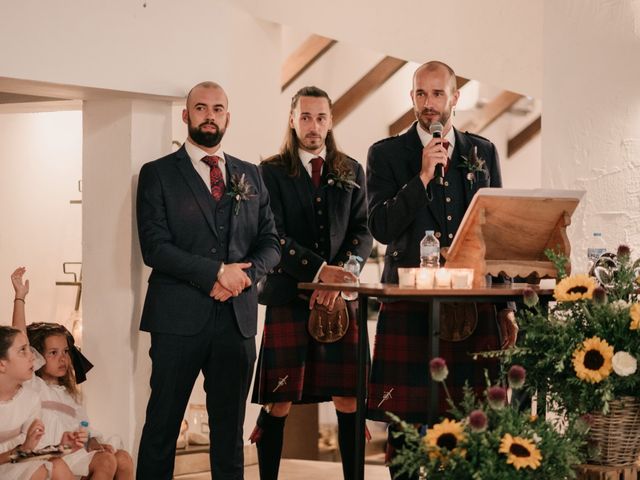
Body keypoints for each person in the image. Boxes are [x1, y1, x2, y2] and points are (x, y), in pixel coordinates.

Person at [365, 61, 517, 479]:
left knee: (473, 416)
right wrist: (421, 178)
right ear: (412, 97)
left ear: (455, 97)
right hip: (409, 302)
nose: (428, 104)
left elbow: (496, 227)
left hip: (473, 303)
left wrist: (506, 306)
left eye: (436, 94)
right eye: (420, 94)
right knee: (405, 427)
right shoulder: (386, 154)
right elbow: (380, 227)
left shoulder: (481, 151)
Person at [136, 81, 281, 480]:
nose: (209, 115)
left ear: (228, 117)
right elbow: (156, 248)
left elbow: (271, 242)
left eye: (218, 109)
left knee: (229, 435)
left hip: (236, 322)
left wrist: (241, 279)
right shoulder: (158, 174)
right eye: (200, 108)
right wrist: (217, 273)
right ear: (186, 116)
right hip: (177, 321)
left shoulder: (251, 174)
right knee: (162, 427)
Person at [249, 86, 373, 480]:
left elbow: (363, 231)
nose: (313, 126)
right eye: (305, 117)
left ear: (331, 120)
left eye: (320, 117)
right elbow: (272, 236)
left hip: (341, 299)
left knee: (348, 397)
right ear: (292, 119)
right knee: (280, 398)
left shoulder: (351, 169)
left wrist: (341, 277)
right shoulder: (269, 172)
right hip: (289, 296)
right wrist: (321, 273)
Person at [11, 267, 134, 479]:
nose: (63, 359)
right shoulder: (32, 386)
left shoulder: (69, 394)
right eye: (53, 353)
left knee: (123, 458)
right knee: (106, 461)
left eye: (66, 352)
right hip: (51, 452)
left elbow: (82, 426)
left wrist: (93, 442)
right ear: (35, 356)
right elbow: (18, 340)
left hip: (74, 452)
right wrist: (20, 298)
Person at [0, 325, 78, 480]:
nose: (32, 357)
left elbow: (26, 453)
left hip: (13, 463)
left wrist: (61, 449)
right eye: (23, 350)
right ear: (2, 364)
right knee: (41, 471)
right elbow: (20, 452)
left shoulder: (30, 398)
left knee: (57, 464)